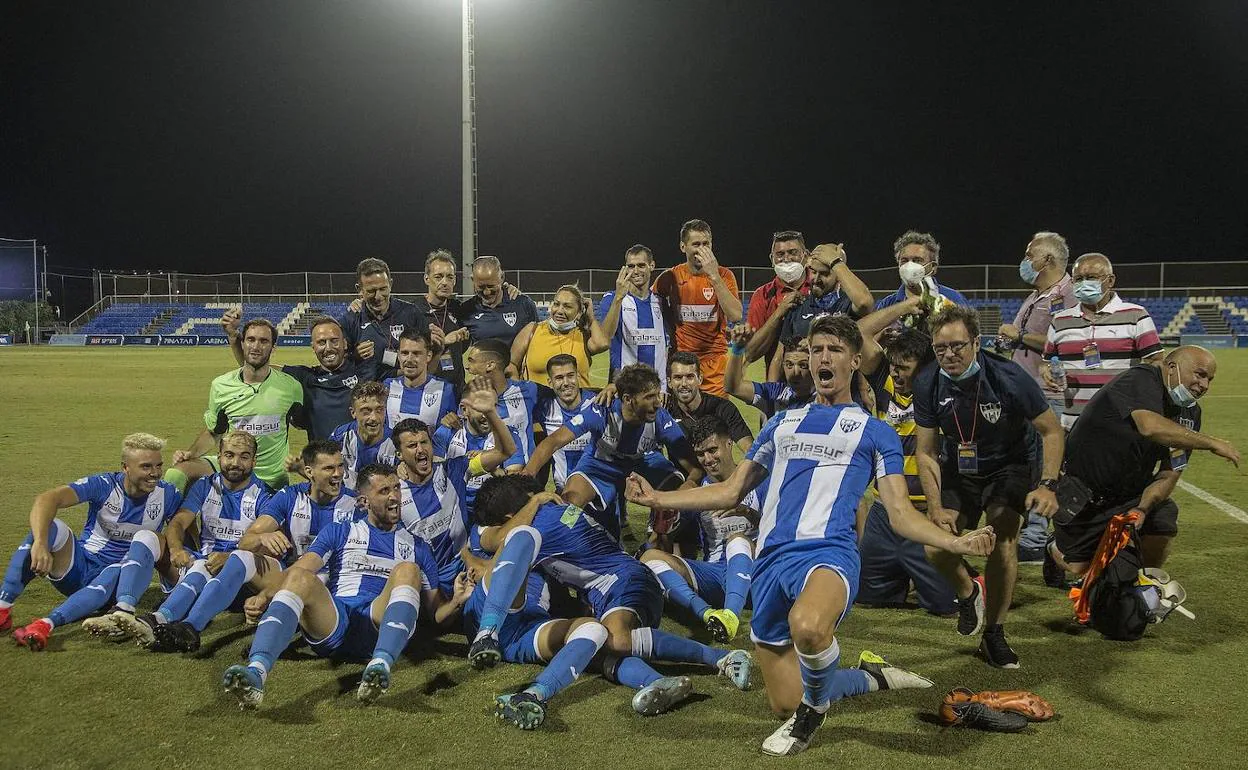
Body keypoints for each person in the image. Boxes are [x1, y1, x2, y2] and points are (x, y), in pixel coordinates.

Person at [625, 315, 996, 756]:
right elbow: (729, 489)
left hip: (828, 553)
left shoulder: (875, 432)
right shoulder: (781, 424)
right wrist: (655, 501)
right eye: (817, 349)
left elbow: (898, 512)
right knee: (783, 700)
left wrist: (954, 543)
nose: (824, 358)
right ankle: (870, 676)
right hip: (770, 563)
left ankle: (809, 720)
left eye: (835, 350)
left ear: (855, 361)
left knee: (809, 628)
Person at [468, 476, 754, 716]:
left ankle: (724, 658)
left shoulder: (532, 528)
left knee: (616, 638)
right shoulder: (555, 512)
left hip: (625, 582)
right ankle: (657, 682)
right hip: (618, 584)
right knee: (599, 646)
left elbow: (499, 541)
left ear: (509, 517)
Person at [222, 464, 472, 709]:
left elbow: (436, 615)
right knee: (299, 576)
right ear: (363, 502)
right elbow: (302, 568)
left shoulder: (418, 547)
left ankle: (379, 667)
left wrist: (456, 602)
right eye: (384, 491)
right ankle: (256, 673)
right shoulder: (340, 531)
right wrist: (266, 595)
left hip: (378, 622)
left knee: (407, 570)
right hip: (335, 621)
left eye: (397, 488)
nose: (395, 496)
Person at [913, 305, 1064, 669]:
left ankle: (994, 633)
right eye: (941, 348)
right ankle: (969, 592)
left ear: (976, 343)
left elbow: (1052, 430)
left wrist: (1047, 485)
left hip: (1009, 467)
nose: (949, 355)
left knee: (1002, 540)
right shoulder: (927, 382)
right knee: (934, 544)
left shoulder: (1009, 376)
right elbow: (926, 452)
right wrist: (934, 506)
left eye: (958, 346)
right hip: (960, 470)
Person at [132, 440, 359, 653]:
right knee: (240, 557)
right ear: (309, 472)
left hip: (330, 584)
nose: (338, 474)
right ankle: (190, 627)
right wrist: (262, 538)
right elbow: (246, 540)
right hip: (289, 576)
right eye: (329, 468)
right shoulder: (289, 497)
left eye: (340, 467)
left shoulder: (356, 504)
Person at [1052, 347, 1240, 576]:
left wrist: (1142, 507)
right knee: (1079, 567)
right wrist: (1211, 443)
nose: (1205, 385)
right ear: (1171, 367)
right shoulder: (1140, 378)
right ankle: (1051, 548)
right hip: (1083, 491)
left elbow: (1171, 472)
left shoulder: (1190, 415)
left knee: (1163, 516)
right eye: (1199, 374)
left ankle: (1143, 582)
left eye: (1209, 379)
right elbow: (1149, 426)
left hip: (1129, 492)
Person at [81, 431, 269, 642]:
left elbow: (264, 544)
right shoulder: (205, 486)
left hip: (237, 578)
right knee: (147, 537)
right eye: (229, 455)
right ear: (219, 456)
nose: (235, 462)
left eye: (244, 456)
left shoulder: (265, 495)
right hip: (203, 562)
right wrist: (177, 549)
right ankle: (124, 609)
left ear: (254, 461)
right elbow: (179, 522)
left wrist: (230, 557)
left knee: (201, 567)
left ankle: (154, 622)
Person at [8, 434, 183, 650]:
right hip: (80, 568)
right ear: (125, 468)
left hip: (121, 581)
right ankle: (3, 606)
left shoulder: (168, 494)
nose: (155, 473)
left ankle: (46, 624)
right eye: (146, 467)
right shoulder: (104, 485)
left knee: (117, 567)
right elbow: (47, 499)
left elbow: (181, 530)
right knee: (49, 528)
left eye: (158, 466)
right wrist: (41, 543)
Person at [852, 320, 957, 617]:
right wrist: (905, 308)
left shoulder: (939, 391)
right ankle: (902, 574)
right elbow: (860, 332)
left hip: (923, 514)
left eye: (904, 367)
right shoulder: (884, 381)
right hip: (884, 514)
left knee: (945, 606)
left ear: (924, 368)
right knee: (867, 597)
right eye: (894, 366)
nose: (896, 373)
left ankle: (963, 572)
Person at [522, 364, 702, 534]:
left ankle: (656, 547)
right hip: (600, 465)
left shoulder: (660, 418)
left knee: (673, 500)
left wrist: (680, 495)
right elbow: (553, 441)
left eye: (656, 395)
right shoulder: (602, 411)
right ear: (627, 399)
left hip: (642, 463)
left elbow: (695, 469)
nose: (657, 403)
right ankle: (563, 540)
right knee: (571, 506)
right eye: (649, 397)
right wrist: (528, 474)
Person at [640, 417, 759, 643]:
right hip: (713, 576)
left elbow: (781, 531)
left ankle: (731, 615)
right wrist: (661, 526)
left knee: (737, 539)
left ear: (729, 444)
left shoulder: (757, 481)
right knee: (650, 557)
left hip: (756, 575)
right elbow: (662, 538)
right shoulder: (697, 492)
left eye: (713, 450)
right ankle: (709, 614)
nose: (708, 459)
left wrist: (747, 512)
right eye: (701, 454)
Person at [997, 232, 1076, 564]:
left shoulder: (1068, 293)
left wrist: (1019, 336)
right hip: (1023, 390)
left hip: (1049, 392)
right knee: (1027, 460)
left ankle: (1037, 536)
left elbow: (1068, 338)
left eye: (1030, 254)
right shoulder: (1035, 295)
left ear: (1048, 259)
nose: (1025, 260)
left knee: (1048, 461)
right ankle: (1029, 527)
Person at [165, 318, 303, 492]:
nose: (256, 346)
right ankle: (174, 520)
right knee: (175, 474)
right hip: (231, 467)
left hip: (270, 477)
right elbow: (214, 431)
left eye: (264, 341)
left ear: (273, 347)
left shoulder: (291, 387)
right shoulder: (221, 385)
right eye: (251, 340)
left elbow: (303, 423)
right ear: (243, 344)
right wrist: (191, 454)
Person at [1043, 252, 1163, 429]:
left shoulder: (1136, 315)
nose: (1084, 283)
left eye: (1091, 277)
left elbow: (1156, 362)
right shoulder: (1059, 320)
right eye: (1078, 279)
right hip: (1072, 423)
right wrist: (1047, 372)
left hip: (1120, 422)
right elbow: (1046, 362)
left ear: (1111, 280)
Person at [222, 312, 360, 441]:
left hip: (361, 461)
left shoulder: (362, 369)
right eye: (321, 342)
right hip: (324, 463)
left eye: (334, 341)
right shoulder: (303, 377)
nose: (328, 347)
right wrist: (234, 338)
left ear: (345, 343)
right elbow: (254, 367)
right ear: (313, 347)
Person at [750, 243, 873, 373]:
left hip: (841, 390)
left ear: (839, 274)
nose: (816, 279)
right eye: (813, 272)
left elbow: (865, 303)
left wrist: (836, 262)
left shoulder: (847, 305)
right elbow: (778, 358)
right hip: (802, 390)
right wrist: (773, 390)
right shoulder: (798, 306)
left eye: (825, 273)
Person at [652, 219, 742, 396]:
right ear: (683, 246)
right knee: (682, 420)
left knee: (715, 420)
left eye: (706, 243)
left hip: (715, 364)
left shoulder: (724, 275)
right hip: (681, 363)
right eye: (696, 244)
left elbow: (735, 315)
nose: (702, 249)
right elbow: (653, 301)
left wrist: (713, 276)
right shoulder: (671, 276)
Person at [339, 257, 433, 383]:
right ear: (359, 289)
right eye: (371, 291)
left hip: (404, 390)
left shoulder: (411, 313)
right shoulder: (350, 319)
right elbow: (338, 363)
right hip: (367, 395)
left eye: (383, 289)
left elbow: (426, 353)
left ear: (391, 284)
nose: (378, 296)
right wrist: (354, 355)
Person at [596, 245, 672, 388]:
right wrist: (619, 297)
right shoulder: (612, 298)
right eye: (631, 266)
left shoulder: (661, 301)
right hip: (626, 389)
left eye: (641, 265)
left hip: (658, 391)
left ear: (652, 265)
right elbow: (604, 337)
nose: (636, 271)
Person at [510, 284, 608, 388]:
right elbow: (512, 365)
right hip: (538, 403)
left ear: (579, 312)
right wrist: (519, 390)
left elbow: (602, 344)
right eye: (556, 304)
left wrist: (591, 317)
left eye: (567, 306)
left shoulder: (583, 335)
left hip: (576, 402)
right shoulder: (532, 330)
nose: (560, 311)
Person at [745, 230, 813, 372]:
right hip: (778, 386)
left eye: (793, 252)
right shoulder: (762, 295)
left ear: (805, 256)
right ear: (772, 259)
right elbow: (750, 354)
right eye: (780, 254)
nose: (786, 259)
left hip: (821, 385)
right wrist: (778, 313)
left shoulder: (820, 287)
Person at [874, 231, 970, 328]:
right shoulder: (887, 304)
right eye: (904, 260)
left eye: (917, 260)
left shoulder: (954, 299)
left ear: (933, 267)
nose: (909, 265)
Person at [464, 338, 540, 462]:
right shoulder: (470, 398)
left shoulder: (528, 390)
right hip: (485, 473)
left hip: (521, 475)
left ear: (490, 365)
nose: (467, 367)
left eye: (472, 361)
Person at [665, 351, 753, 452]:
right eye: (678, 378)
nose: (684, 383)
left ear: (700, 379)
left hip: (718, 467)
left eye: (690, 377)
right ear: (669, 382)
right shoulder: (664, 412)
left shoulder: (722, 408)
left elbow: (750, 450)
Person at [534, 354, 597, 493]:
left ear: (578, 376)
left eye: (570, 375)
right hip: (563, 493)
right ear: (550, 382)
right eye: (559, 378)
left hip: (596, 491)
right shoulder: (545, 408)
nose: (566, 382)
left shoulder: (597, 404)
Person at [413, 249, 472, 391]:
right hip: (426, 390)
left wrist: (507, 290)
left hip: (456, 390)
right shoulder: (414, 311)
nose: (445, 282)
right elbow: (411, 355)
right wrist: (444, 341)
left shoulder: (459, 309)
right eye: (438, 277)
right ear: (426, 278)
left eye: (450, 277)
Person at [724, 328, 814, 420]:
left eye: (803, 365)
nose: (795, 372)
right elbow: (733, 388)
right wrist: (738, 348)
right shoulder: (775, 393)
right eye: (789, 365)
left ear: (813, 366)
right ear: (783, 365)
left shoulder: (824, 397)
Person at [326, 381, 398, 491]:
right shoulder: (340, 436)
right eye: (366, 411)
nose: (374, 417)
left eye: (379, 410)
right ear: (353, 412)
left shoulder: (396, 443)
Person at [381, 328, 458, 428]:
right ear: (399, 355)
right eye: (404, 353)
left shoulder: (445, 390)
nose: (409, 359)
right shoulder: (387, 386)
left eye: (416, 353)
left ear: (428, 356)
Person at [460, 255, 540, 348]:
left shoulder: (523, 304)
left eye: (491, 286)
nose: (487, 292)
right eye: (481, 287)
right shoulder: (466, 309)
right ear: (473, 280)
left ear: (502, 277)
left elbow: (537, 340)